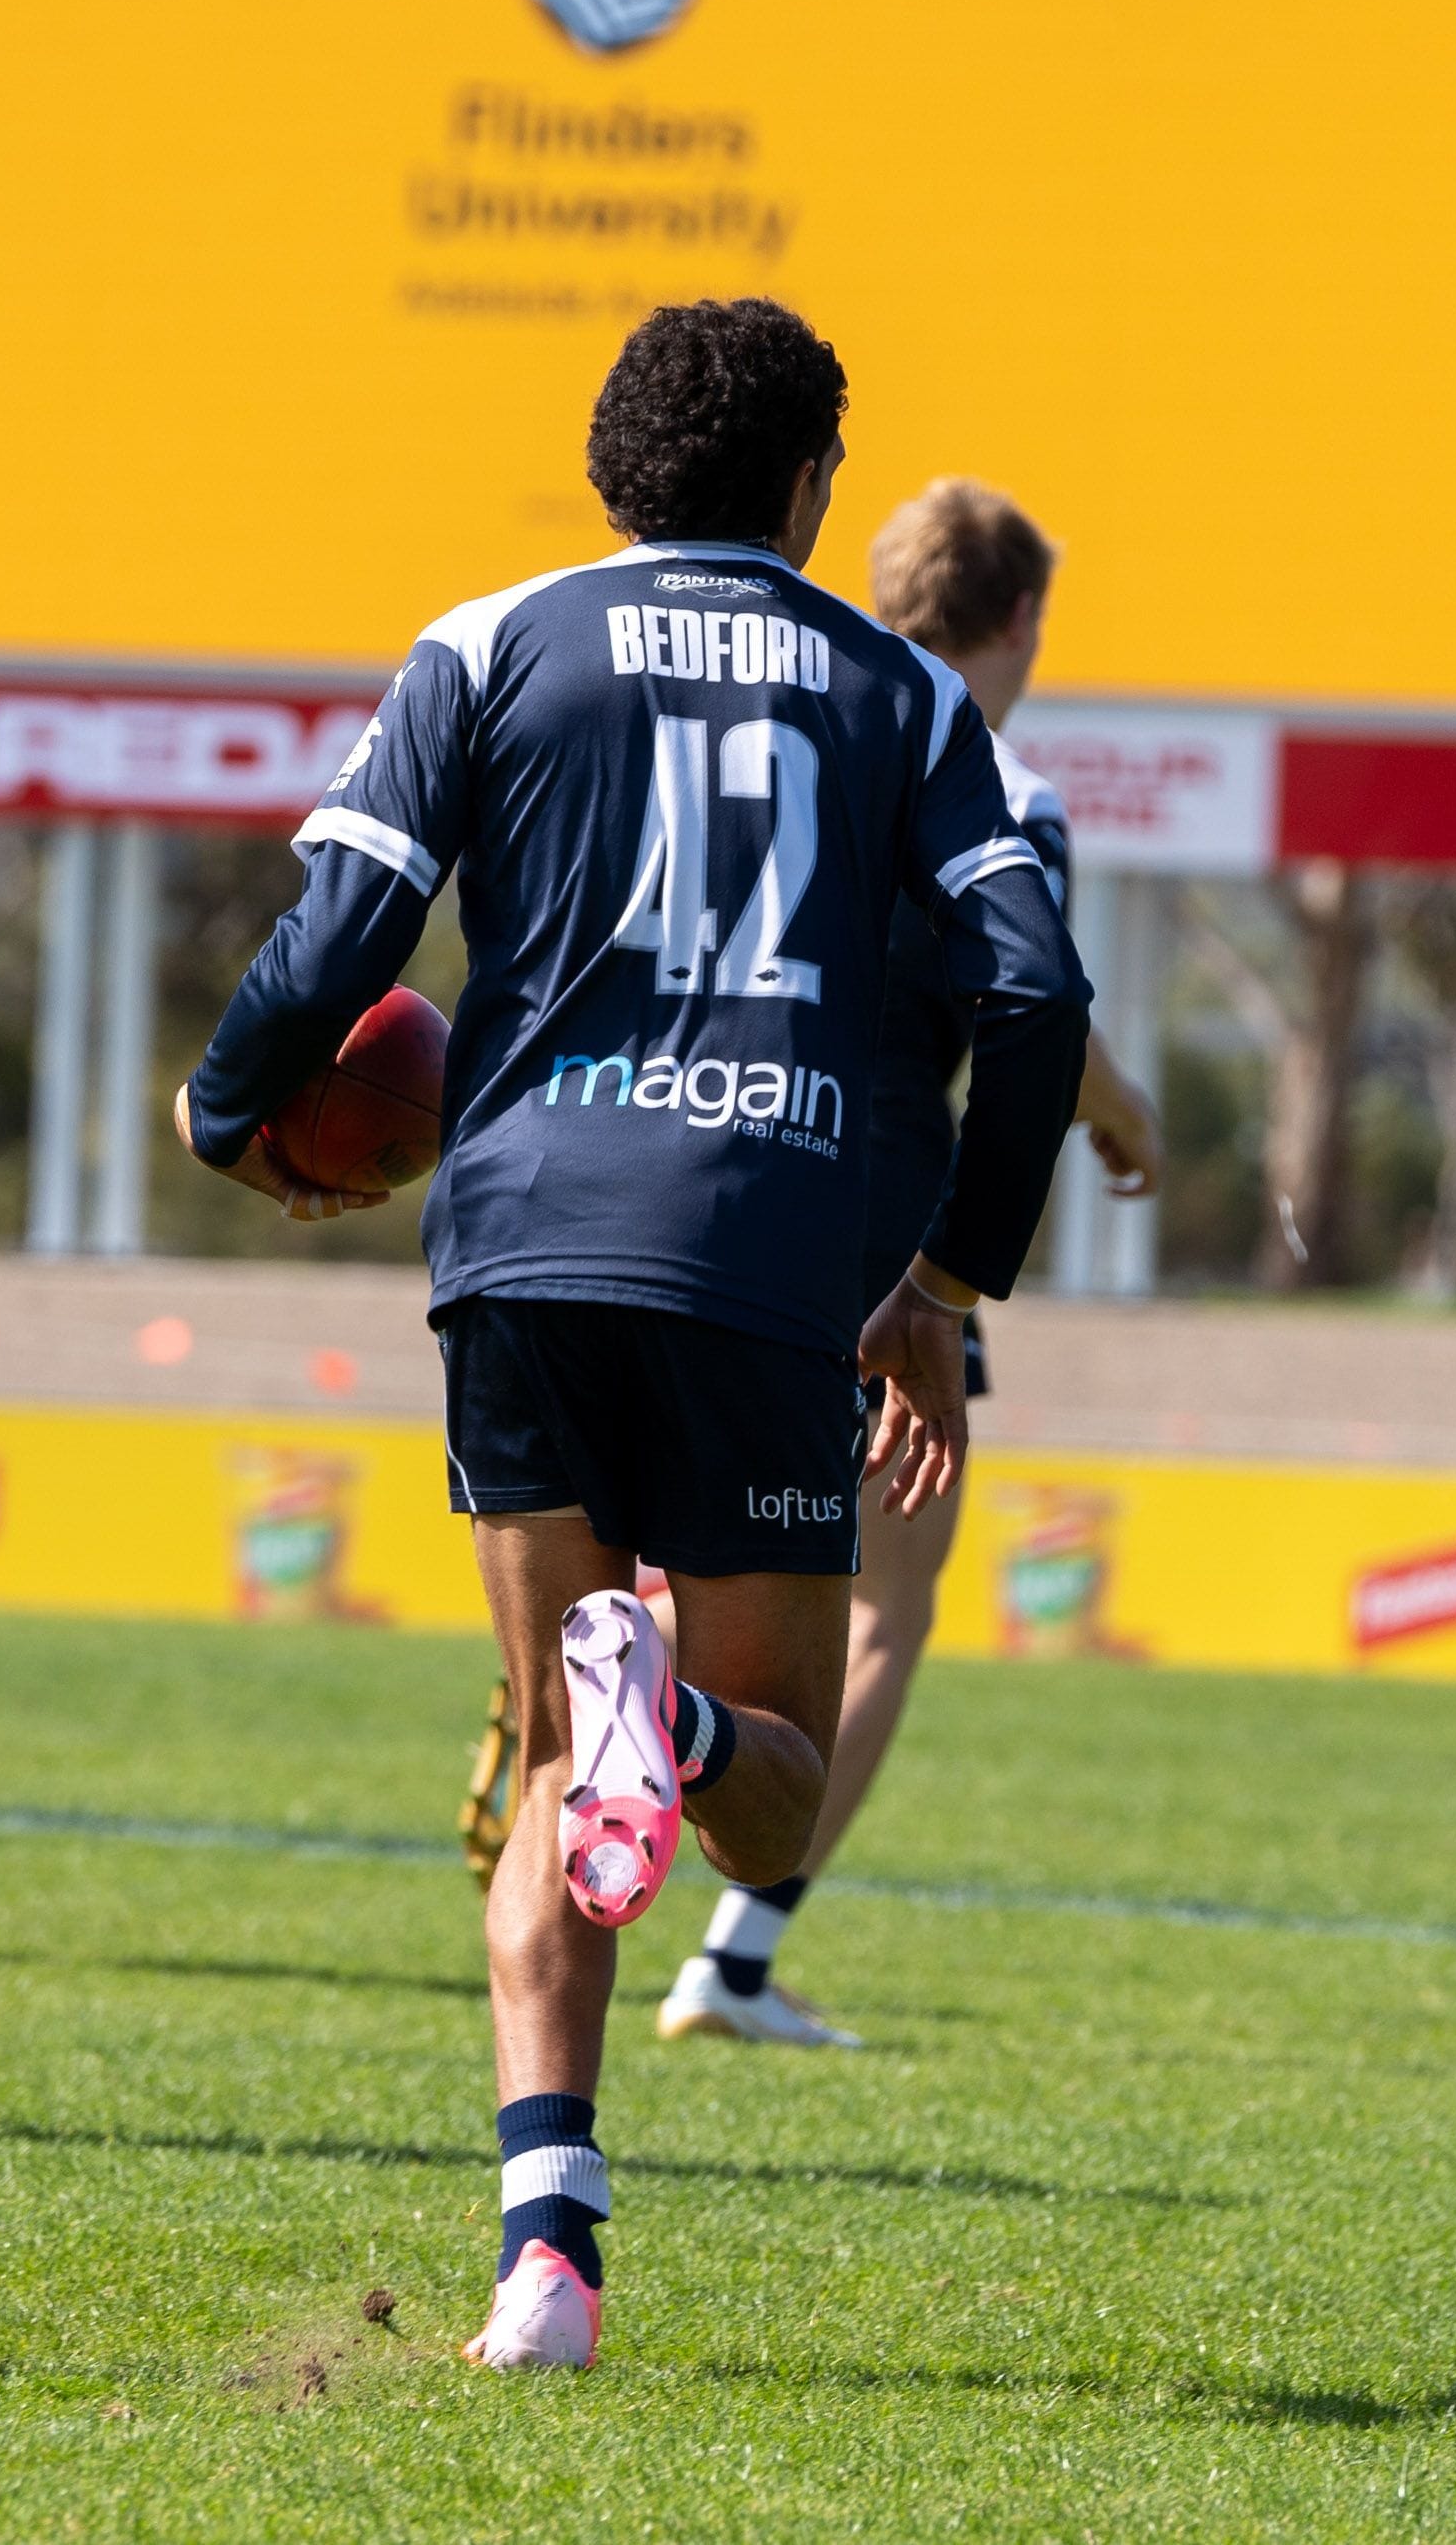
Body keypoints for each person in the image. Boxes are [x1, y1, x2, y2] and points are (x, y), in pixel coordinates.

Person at [176, 299, 1088, 2366]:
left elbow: (336, 939)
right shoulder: (904, 695)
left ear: (609, 467)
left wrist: (226, 1113)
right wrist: (942, 1292)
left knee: (541, 1761)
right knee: (749, 1779)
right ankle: (658, 1725)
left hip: (517, 1250)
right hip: (768, 1254)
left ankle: (546, 2255)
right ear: (807, 489)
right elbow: (1033, 1000)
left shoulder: (488, 638)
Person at [658, 478, 1159, 2049]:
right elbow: (1035, 1006)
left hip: (703, 1171)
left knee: (714, 1533)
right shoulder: (995, 776)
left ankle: (614, 1669)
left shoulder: (789, 730)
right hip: (879, 1210)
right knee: (887, 1608)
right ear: (1022, 620)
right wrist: (1131, 1120)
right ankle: (737, 1952)